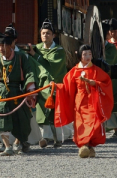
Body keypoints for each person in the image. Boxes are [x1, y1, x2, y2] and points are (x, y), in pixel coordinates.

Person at [55, 45, 113, 158]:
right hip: (80, 102)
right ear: (80, 56)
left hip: (93, 101)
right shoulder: (74, 71)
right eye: (85, 54)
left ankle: (88, 146)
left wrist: (95, 83)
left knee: (94, 123)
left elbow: (106, 82)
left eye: (90, 54)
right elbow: (66, 86)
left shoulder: (96, 70)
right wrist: (57, 87)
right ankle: (84, 146)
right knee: (81, 124)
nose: (88, 57)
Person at [27, 18, 67, 148]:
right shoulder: (37, 48)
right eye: (43, 33)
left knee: (54, 112)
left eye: (48, 33)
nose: (45, 35)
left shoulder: (59, 51)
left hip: (54, 86)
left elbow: (50, 67)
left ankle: (57, 138)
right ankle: (45, 137)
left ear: (53, 35)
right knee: (41, 112)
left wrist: (35, 55)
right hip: (41, 86)